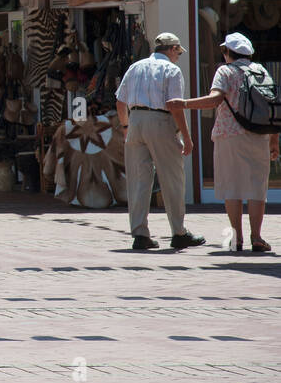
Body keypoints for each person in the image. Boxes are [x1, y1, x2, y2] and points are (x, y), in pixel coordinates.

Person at [167, 32, 275, 252]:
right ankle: (257, 237)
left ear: (228, 53)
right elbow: (272, 108)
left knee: (232, 188)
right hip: (260, 135)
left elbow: (216, 99)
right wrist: (274, 141)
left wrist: (184, 104)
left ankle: (237, 238)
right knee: (257, 189)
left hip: (229, 135)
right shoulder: (261, 71)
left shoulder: (225, 71)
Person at [115, 32, 204, 251]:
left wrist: (126, 126)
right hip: (160, 120)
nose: (178, 57)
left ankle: (139, 234)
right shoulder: (171, 70)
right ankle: (179, 232)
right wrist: (186, 136)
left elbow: (120, 101)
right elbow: (175, 105)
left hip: (135, 120)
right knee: (172, 177)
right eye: (178, 52)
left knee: (138, 179)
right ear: (172, 49)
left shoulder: (135, 67)